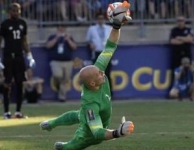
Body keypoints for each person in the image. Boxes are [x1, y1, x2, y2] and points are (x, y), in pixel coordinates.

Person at [40, 1, 134, 150]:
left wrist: (116, 26)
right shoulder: (90, 104)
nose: (102, 72)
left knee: (78, 115)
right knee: (70, 147)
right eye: (99, 74)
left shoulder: (98, 70)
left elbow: (110, 45)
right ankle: (63, 146)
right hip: (88, 134)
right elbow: (97, 132)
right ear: (92, 84)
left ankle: (51, 123)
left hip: (90, 114)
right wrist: (118, 132)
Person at [0, 3, 36, 119]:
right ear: (9, 12)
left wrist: (29, 56)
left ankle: (18, 111)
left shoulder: (23, 24)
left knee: (20, 83)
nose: (15, 13)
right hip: (8, 57)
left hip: (19, 56)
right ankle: (6, 112)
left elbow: (24, 41)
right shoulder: (5, 24)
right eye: (13, 11)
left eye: (18, 11)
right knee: (7, 83)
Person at [45, 25, 77, 102]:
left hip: (68, 61)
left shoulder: (69, 37)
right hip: (56, 61)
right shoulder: (52, 37)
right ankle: (61, 92)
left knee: (66, 79)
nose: (61, 32)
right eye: (60, 30)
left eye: (63, 30)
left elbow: (74, 47)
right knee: (57, 75)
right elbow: (48, 46)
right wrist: (56, 38)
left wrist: (68, 40)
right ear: (57, 30)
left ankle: (62, 97)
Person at [86, 13, 113, 96]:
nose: (100, 20)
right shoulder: (92, 29)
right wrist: (90, 44)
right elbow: (88, 40)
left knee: (107, 73)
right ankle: (97, 92)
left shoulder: (109, 28)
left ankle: (108, 92)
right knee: (97, 74)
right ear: (97, 20)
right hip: (97, 52)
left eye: (102, 18)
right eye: (99, 18)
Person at [169, 16, 194, 81]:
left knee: (188, 74)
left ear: (184, 21)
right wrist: (184, 40)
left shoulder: (189, 30)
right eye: (178, 21)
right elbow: (172, 41)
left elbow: (190, 39)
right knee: (176, 74)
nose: (180, 22)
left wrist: (179, 38)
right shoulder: (174, 30)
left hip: (186, 55)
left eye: (181, 21)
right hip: (176, 56)